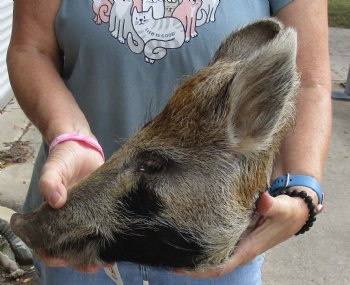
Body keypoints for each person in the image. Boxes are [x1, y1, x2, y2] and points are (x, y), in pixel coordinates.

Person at [7, 0, 331, 284]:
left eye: (155, 164)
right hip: (77, 232)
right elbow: (30, 49)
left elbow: (310, 81)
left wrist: (300, 189)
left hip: (219, 261)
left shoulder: (246, 112)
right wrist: (69, 132)